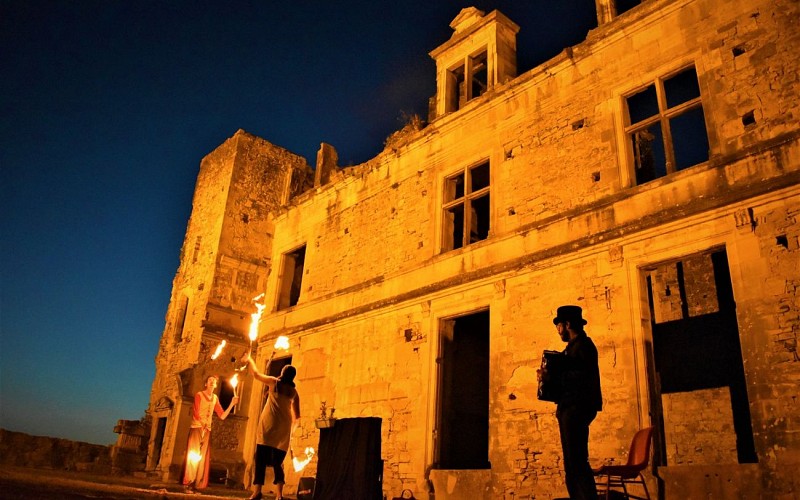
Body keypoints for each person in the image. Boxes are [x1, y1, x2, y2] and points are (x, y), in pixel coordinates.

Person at [541, 305, 602, 500]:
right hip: (571, 406)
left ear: (567, 324)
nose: (558, 331)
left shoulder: (583, 346)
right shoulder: (572, 349)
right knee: (572, 462)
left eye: (559, 326)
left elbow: (579, 378)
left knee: (576, 462)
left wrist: (549, 376)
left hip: (576, 407)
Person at [244, 352, 301, 500]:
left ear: (282, 373)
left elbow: (256, 375)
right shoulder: (294, 393)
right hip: (283, 430)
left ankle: (257, 492)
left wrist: (250, 359)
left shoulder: (274, 382)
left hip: (268, 427)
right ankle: (279, 495)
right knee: (278, 463)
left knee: (261, 460)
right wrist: (292, 432)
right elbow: (297, 418)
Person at [183, 375, 238, 492]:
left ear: (216, 385)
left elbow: (222, 416)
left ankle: (197, 483)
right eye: (210, 380)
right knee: (193, 455)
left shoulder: (215, 398)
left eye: (214, 381)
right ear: (206, 384)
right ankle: (189, 482)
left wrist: (232, 404)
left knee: (201, 457)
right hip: (197, 428)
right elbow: (196, 411)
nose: (212, 382)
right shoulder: (199, 395)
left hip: (207, 430)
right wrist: (202, 423)